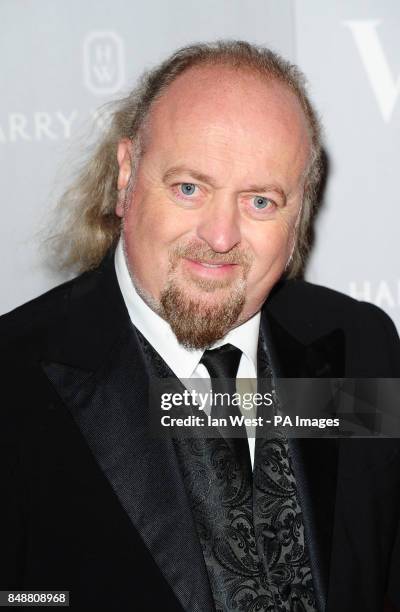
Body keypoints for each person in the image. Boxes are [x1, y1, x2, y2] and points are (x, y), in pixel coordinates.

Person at [1, 41, 399, 612]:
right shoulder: (14, 382)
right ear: (126, 175)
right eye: (190, 188)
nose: (219, 237)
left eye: (260, 201)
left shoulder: (362, 347)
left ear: (301, 211)